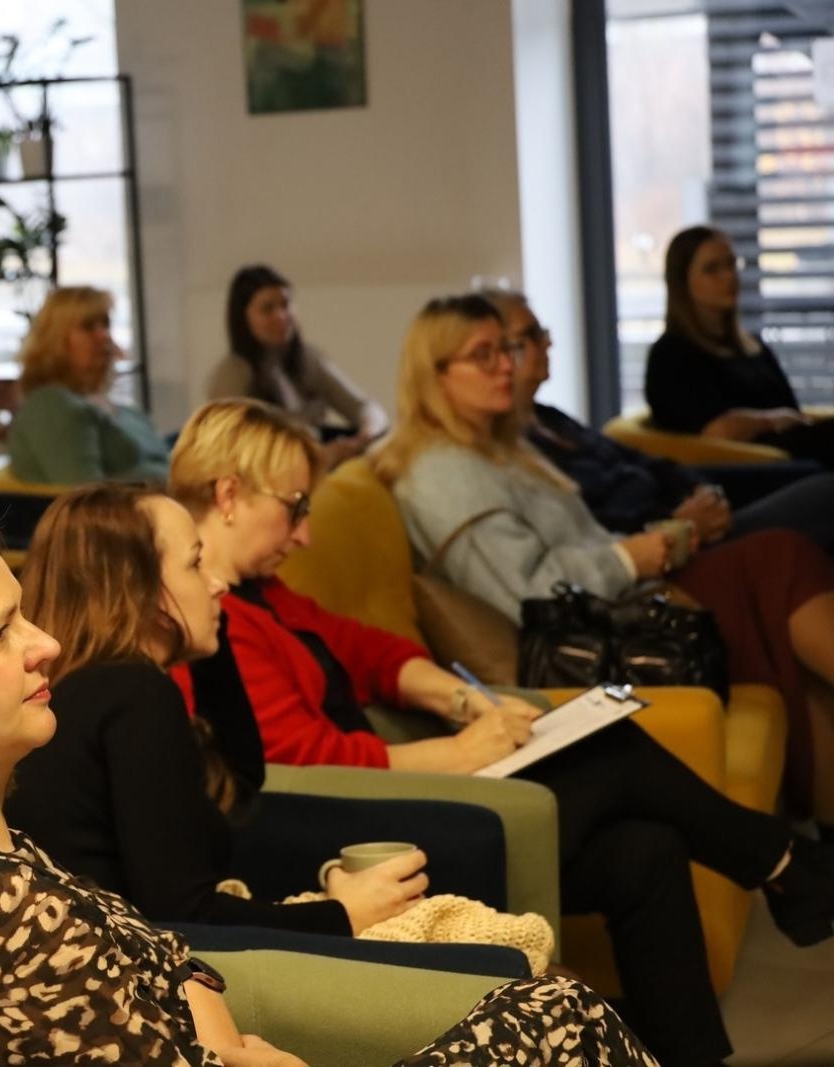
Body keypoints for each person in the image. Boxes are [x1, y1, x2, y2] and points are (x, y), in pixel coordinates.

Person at [0, 511, 657, 1067]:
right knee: (561, 1020)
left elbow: (159, 949)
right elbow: (167, 919)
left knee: (568, 981)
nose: (46, 642)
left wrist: (198, 1000)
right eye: (0, 631)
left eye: (27, 612)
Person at [170, 396, 834, 1065]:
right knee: (614, 755)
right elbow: (301, 760)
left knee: (644, 850)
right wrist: (459, 752)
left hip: (395, 801)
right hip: (362, 834)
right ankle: (784, 864)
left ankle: (699, 1043)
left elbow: (367, 649)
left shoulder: (264, 593)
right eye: (295, 505)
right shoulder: (217, 622)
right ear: (229, 495)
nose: (305, 533)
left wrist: (463, 699)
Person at [377, 293, 834, 821]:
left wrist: (645, 547)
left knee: (781, 562)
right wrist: (634, 556)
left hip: (623, 596)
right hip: (598, 630)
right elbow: (526, 594)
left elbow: (584, 539)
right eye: (484, 354)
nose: (506, 364)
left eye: (506, 348)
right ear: (435, 373)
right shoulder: (441, 472)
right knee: (780, 557)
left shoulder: (497, 447)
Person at [7, 482, 441, 942]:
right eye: (196, 564)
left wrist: (206, 639)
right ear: (142, 589)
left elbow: (242, 784)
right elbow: (183, 915)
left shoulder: (94, 683)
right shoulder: (134, 694)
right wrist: (343, 914)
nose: (219, 583)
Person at [493, 288, 834, 553]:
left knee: (816, 482)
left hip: (687, 507)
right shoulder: (514, 451)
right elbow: (587, 527)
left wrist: (697, 489)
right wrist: (675, 524)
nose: (548, 342)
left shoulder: (551, 418)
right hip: (671, 544)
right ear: (505, 352)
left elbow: (642, 460)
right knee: (824, 494)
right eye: (534, 334)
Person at [646, 225, 834, 466]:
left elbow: (793, 413)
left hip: (797, 459)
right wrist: (769, 420)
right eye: (712, 269)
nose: (729, 276)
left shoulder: (752, 345)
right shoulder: (672, 355)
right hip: (751, 475)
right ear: (683, 281)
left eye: (731, 264)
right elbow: (716, 432)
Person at [208, 265, 387, 469]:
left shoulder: (308, 359)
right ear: (243, 319)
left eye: (286, 304)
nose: (281, 316)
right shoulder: (232, 376)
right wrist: (321, 457)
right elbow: (239, 455)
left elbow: (365, 406)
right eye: (268, 309)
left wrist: (366, 433)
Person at [7, 285, 170, 485]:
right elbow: (85, 497)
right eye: (88, 326)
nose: (104, 335)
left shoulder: (100, 401)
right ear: (55, 340)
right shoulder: (52, 405)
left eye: (106, 324)